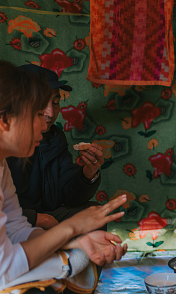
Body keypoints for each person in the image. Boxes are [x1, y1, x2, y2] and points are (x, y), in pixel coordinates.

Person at [0, 60, 127, 292]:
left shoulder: (4, 164)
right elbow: (4, 267)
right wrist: (70, 230)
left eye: (54, 103)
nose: (47, 118)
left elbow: (17, 228)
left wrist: (79, 241)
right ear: (6, 119)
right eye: (38, 112)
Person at [6, 64, 104, 229]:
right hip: (13, 220)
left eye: (56, 102)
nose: (50, 113)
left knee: (95, 213)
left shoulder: (54, 137)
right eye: (41, 103)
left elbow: (68, 195)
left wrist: (88, 175)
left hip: (47, 215)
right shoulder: (6, 142)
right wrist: (35, 219)